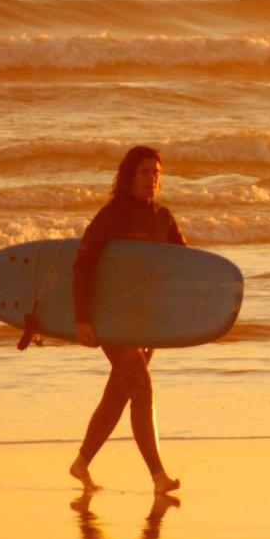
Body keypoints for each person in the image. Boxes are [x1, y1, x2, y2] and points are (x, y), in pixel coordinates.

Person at [69, 145, 186, 495]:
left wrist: (177, 314)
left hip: (144, 319)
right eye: (145, 172)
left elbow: (183, 266)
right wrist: (83, 320)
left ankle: (81, 463)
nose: (152, 179)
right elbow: (83, 266)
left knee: (118, 394)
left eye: (157, 173)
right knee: (142, 387)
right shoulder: (111, 216)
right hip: (110, 315)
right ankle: (158, 477)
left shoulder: (163, 218)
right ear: (128, 176)